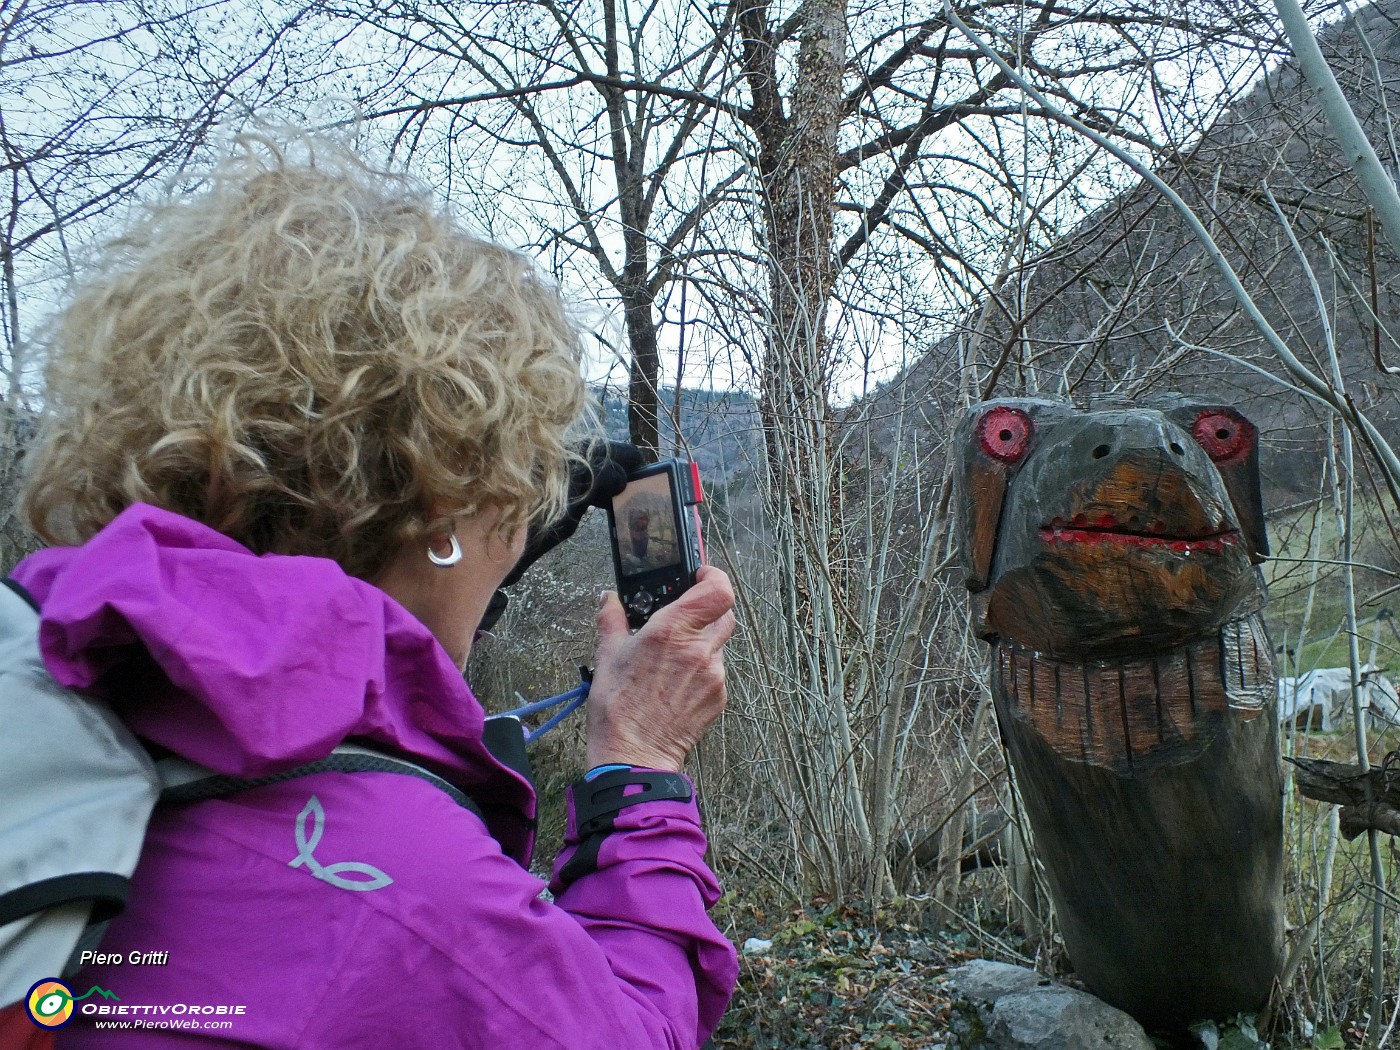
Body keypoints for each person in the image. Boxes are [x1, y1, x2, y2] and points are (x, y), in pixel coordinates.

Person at [12, 134, 738, 1048]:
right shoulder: (401, 887)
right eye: (519, 494)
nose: (523, 521)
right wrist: (642, 763)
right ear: (446, 503)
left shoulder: (59, 681)